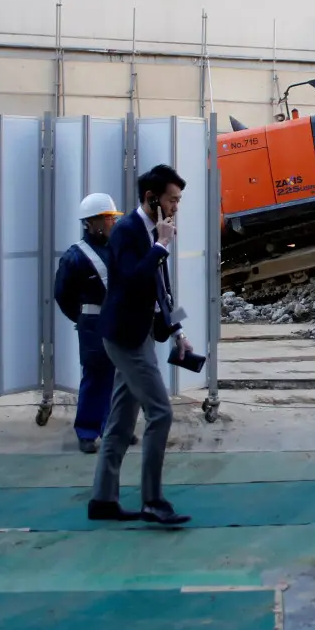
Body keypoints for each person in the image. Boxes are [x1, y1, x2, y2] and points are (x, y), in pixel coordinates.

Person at [87, 164, 195, 525]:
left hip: (141, 333)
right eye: (172, 200)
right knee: (160, 412)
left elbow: (161, 287)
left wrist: (178, 330)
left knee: (120, 420)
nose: (177, 206)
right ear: (152, 199)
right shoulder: (128, 232)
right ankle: (153, 500)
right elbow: (132, 280)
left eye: (179, 199)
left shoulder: (152, 231)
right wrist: (161, 245)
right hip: (126, 338)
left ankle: (103, 499)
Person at [53, 193, 138, 454]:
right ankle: (87, 432)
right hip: (94, 323)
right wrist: (81, 318)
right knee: (96, 377)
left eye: (113, 218)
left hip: (118, 320)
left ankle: (116, 428)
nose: (113, 223)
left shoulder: (117, 248)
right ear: (94, 222)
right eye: (109, 218)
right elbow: (62, 294)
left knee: (121, 379)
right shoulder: (75, 257)